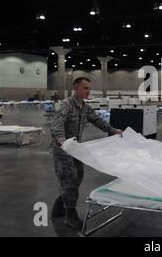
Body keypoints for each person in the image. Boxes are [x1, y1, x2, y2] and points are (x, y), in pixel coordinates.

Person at [50, 77, 122, 229]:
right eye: (85, 88)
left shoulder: (85, 107)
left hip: (75, 148)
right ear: (76, 89)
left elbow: (98, 121)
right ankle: (70, 215)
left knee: (79, 176)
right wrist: (62, 140)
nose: (88, 91)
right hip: (62, 149)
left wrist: (113, 130)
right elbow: (57, 123)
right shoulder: (66, 105)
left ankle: (59, 206)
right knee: (70, 179)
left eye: (89, 88)